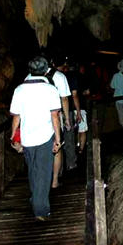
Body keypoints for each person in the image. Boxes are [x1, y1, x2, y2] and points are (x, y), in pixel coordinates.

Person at [9, 56, 62, 221]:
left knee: (32, 170)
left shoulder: (19, 90)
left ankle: (35, 198)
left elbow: (16, 116)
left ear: (30, 70)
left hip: (27, 136)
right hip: (45, 135)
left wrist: (13, 137)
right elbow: (54, 116)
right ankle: (40, 209)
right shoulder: (51, 90)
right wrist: (58, 139)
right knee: (43, 172)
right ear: (46, 71)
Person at [45, 55, 72, 188]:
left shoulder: (29, 77)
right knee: (57, 146)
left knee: (41, 147)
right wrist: (67, 119)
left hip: (36, 117)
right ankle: (55, 180)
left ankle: (43, 178)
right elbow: (65, 99)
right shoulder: (60, 77)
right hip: (55, 115)